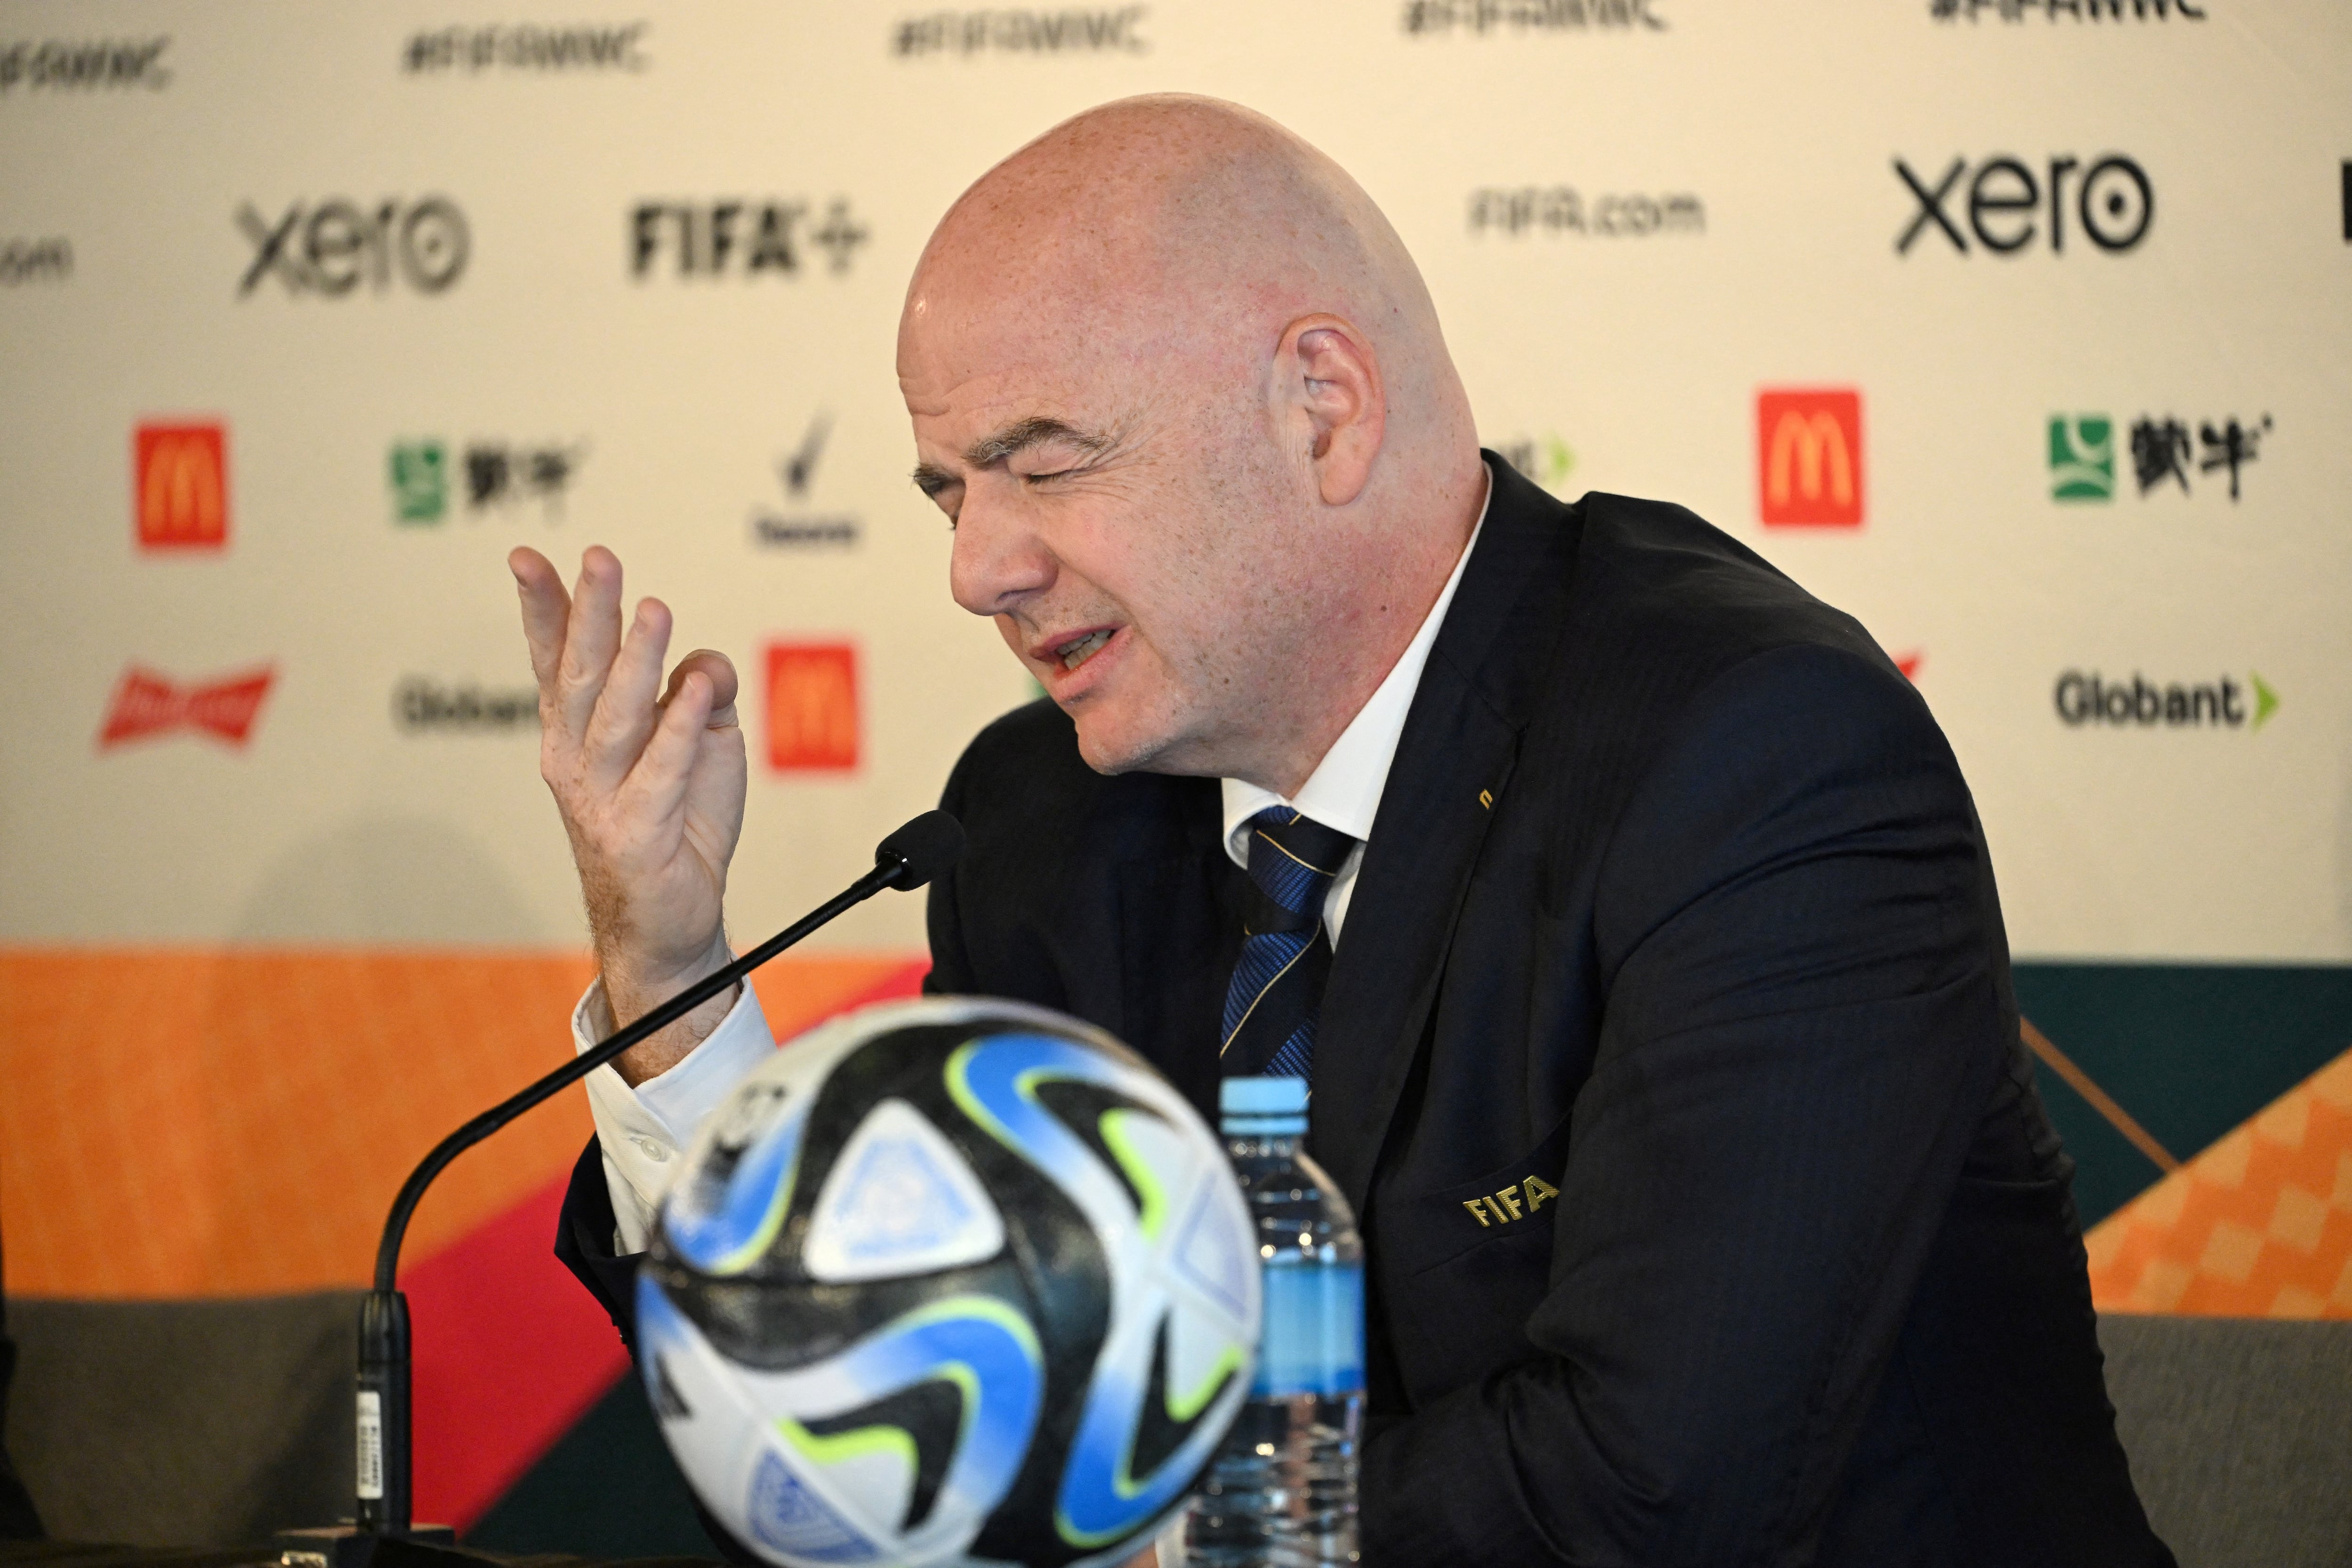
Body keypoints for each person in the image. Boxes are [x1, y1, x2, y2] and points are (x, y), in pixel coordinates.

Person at [517, 95, 2173, 1566]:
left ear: (1322, 408)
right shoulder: (1041, 818)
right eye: (952, 490)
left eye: (1045, 466)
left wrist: (1120, 1537)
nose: (977, 569)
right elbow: (874, 1397)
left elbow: (1654, 1493)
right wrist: (672, 984)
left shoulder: (1751, 758)